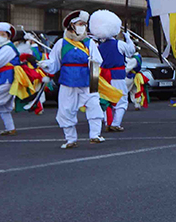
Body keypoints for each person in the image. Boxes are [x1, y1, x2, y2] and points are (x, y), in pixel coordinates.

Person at [38, 10, 105, 149]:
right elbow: (54, 63)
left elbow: (98, 60)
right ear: (71, 26)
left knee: (94, 105)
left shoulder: (89, 43)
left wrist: (93, 67)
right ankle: (70, 139)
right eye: (79, 24)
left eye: (84, 24)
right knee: (66, 109)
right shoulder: (61, 43)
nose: (82, 27)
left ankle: (95, 135)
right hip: (68, 79)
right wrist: (46, 65)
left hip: (88, 78)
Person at [90, 10, 135, 132]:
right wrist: (128, 38)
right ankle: (115, 123)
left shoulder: (99, 46)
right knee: (121, 100)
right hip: (117, 76)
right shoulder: (119, 44)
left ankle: (107, 121)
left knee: (106, 99)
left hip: (104, 76)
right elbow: (131, 51)